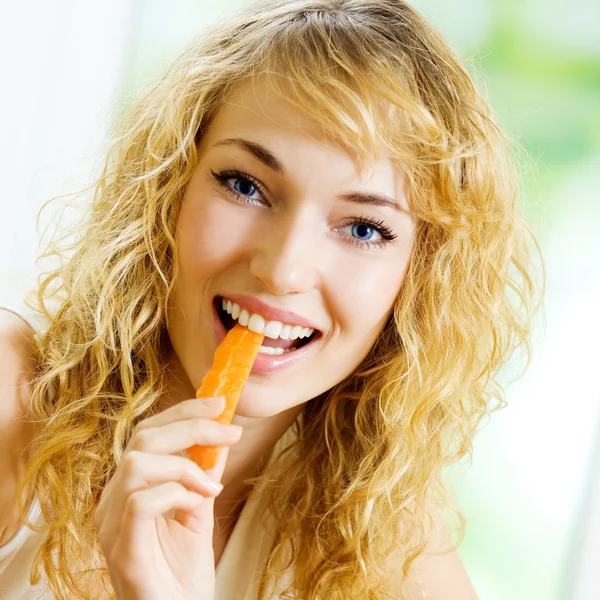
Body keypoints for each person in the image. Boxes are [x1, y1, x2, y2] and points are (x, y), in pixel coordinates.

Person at [0, 0, 543, 598]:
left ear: (421, 277)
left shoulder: (380, 519)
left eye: (363, 228)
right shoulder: (15, 395)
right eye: (245, 186)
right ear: (169, 186)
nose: (283, 270)